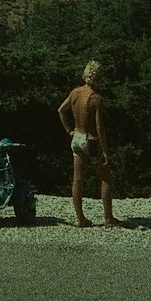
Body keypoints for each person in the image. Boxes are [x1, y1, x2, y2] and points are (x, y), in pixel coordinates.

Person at [57, 59, 123, 228]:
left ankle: (80, 219)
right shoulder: (96, 99)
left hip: (76, 138)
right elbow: (100, 127)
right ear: (99, 77)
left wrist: (68, 130)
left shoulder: (75, 92)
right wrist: (106, 151)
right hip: (91, 140)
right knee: (106, 177)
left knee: (77, 179)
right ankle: (108, 219)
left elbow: (61, 111)